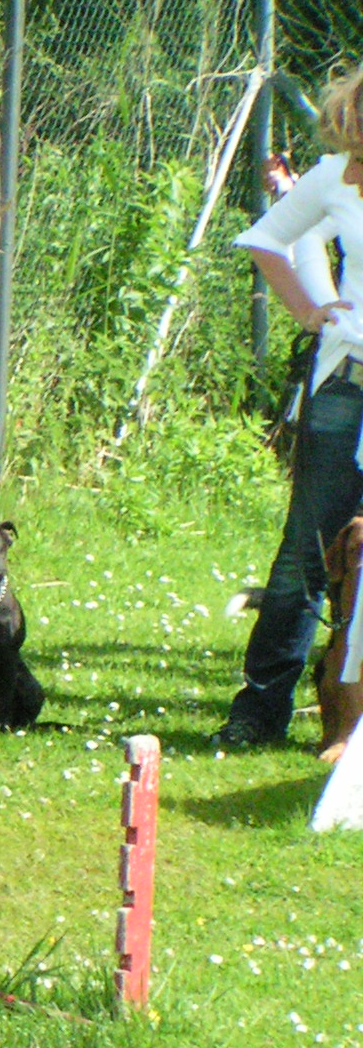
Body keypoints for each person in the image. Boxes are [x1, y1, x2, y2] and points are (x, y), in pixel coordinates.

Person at [212, 63, 363, 750]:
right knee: (307, 553)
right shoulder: (334, 176)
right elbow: (265, 239)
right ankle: (259, 711)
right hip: (346, 384)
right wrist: (310, 310)